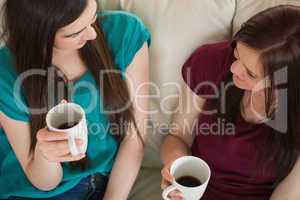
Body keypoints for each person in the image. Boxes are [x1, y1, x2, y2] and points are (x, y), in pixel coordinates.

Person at [0, 0, 150, 199]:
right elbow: (44, 182)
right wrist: (46, 154)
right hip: (34, 190)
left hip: (101, 182)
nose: (92, 34)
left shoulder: (125, 32)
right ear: (38, 34)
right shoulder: (6, 72)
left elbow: (135, 137)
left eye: (93, 17)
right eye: (73, 33)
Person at [161, 5, 300, 200]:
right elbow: (178, 135)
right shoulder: (211, 61)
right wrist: (176, 167)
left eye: (251, 73)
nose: (234, 68)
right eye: (236, 55)